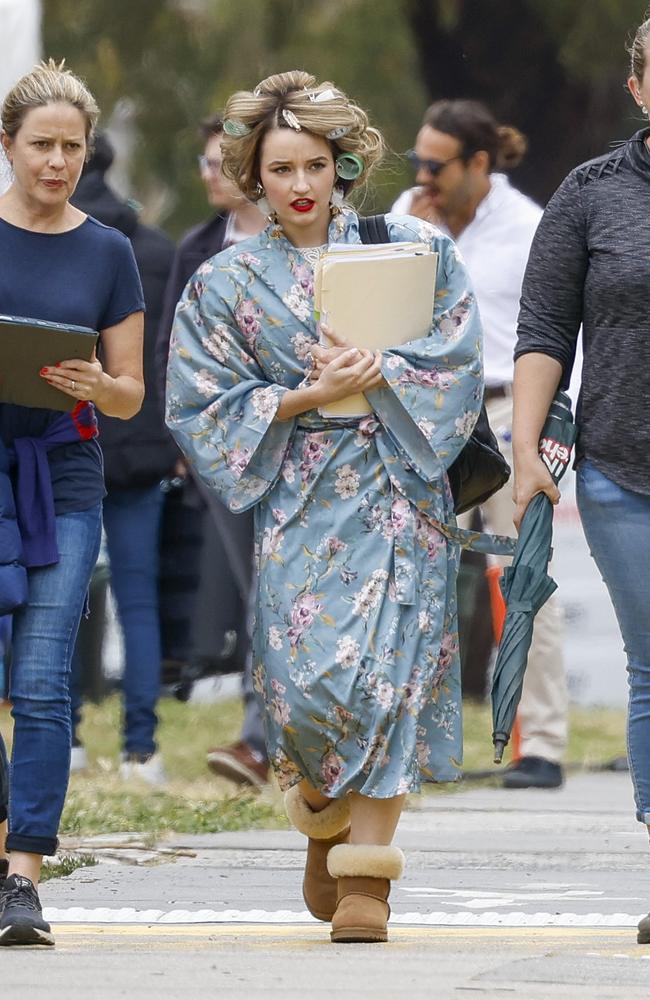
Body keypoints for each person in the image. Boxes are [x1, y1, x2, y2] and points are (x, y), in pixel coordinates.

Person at [166, 70, 484, 944]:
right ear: (251, 177)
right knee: (307, 684)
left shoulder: (414, 250)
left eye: (315, 164)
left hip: (397, 485)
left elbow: (456, 358)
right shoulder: (225, 285)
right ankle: (321, 806)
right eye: (279, 170)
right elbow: (195, 404)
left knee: (391, 676)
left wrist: (383, 371)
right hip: (299, 493)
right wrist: (307, 394)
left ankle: (366, 885)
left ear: (342, 163)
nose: (300, 185)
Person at [511, 11, 650, 945]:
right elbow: (543, 330)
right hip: (623, 471)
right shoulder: (591, 193)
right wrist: (525, 451)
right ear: (638, 85)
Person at [0, 60, 144, 945]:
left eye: (73, 147)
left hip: (64, 472)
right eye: (42, 145)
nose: (58, 162)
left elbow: (131, 395)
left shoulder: (109, 250)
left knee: (44, 681)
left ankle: (24, 876)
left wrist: (97, 382)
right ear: (6, 146)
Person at [393, 100, 568, 790]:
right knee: (412, 577)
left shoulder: (529, 228)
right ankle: (411, 743)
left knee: (525, 580)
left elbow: (559, 331)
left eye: (437, 165)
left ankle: (542, 743)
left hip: (505, 409)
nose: (423, 175)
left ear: (478, 164)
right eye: (417, 162)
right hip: (420, 408)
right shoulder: (410, 214)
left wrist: (548, 428)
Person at [158, 114, 267, 787]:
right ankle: (260, 738)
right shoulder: (196, 249)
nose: (211, 177)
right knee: (263, 590)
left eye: (222, 163)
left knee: (295, 592)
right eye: (204, 164)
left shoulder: (323, 240)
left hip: (319, 442)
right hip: (230, 451)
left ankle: (304, 738)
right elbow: (175, 355)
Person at [69, 131, 176, 785]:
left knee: (65, 598)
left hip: (67, 442)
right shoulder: (157, 249)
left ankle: (71, 735)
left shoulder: (54, 240)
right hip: (141, 443)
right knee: (139, 600)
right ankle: (142, 748)